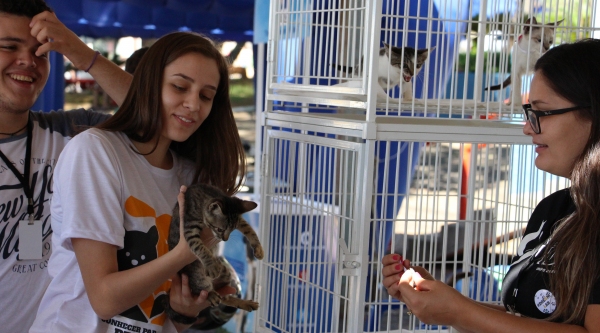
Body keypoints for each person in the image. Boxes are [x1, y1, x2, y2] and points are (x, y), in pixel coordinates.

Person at [30, 31, 247, 333]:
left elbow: (166, 315)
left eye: (206, 96)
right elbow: (104, 299)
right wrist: (184, 253)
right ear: (148, 84)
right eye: (180, 87)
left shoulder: (194, 178)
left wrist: (184, 312)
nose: (193, 104)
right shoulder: (97, 152)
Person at [381, 38, 600, 332]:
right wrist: (444, 304)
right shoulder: (555, 209)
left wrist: (459, 312)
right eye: (527, 113)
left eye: (541, 112)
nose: (527, 127)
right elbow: (527, 320)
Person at [0, 1, 133, 332]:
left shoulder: (73, 133)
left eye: (42, 52)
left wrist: (81, 53)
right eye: (8, 47)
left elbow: (156, 117)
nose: (28, 61)